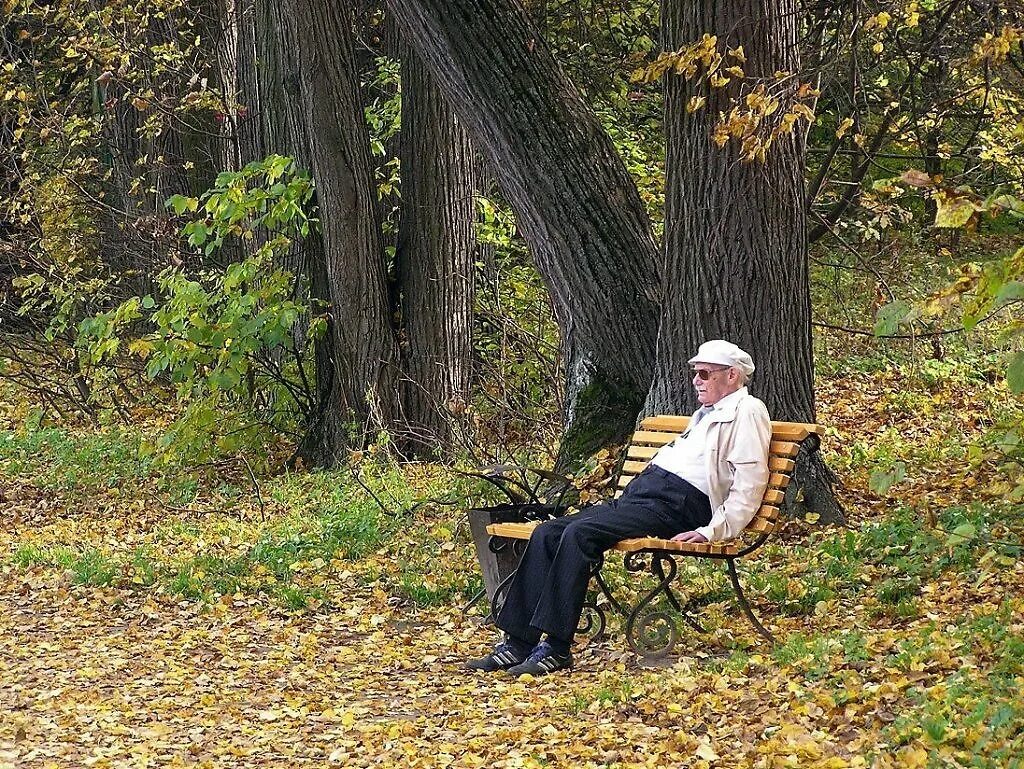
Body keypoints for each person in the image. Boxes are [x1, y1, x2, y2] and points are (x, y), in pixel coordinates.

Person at [465, 339, 772, 676]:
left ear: (732, 375)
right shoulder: (708, 413)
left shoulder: (747, 410)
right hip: (647, 497)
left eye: (704, 373)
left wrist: (711, 531)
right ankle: (517, 643)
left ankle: (555, 647)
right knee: (549, 531)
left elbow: (750, 483)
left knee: (580, 534)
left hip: (679, 505)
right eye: (694, 373)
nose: (696, 380)